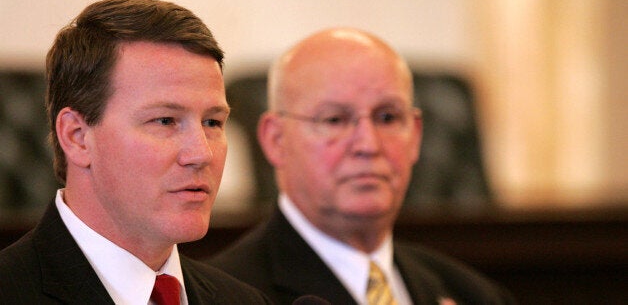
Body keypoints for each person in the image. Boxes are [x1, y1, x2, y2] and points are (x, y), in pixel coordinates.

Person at [209, 27, 514, 304]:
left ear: (416, 135)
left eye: (388, 118)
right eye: (334, 120)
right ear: (276, 140)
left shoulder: (472, 293)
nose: (369, 145)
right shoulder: (224, 296)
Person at [0, 0, 270, 304]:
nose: (202, 154)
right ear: (77, 137)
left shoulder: (243, 300)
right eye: (165, 120)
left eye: (212, 121)